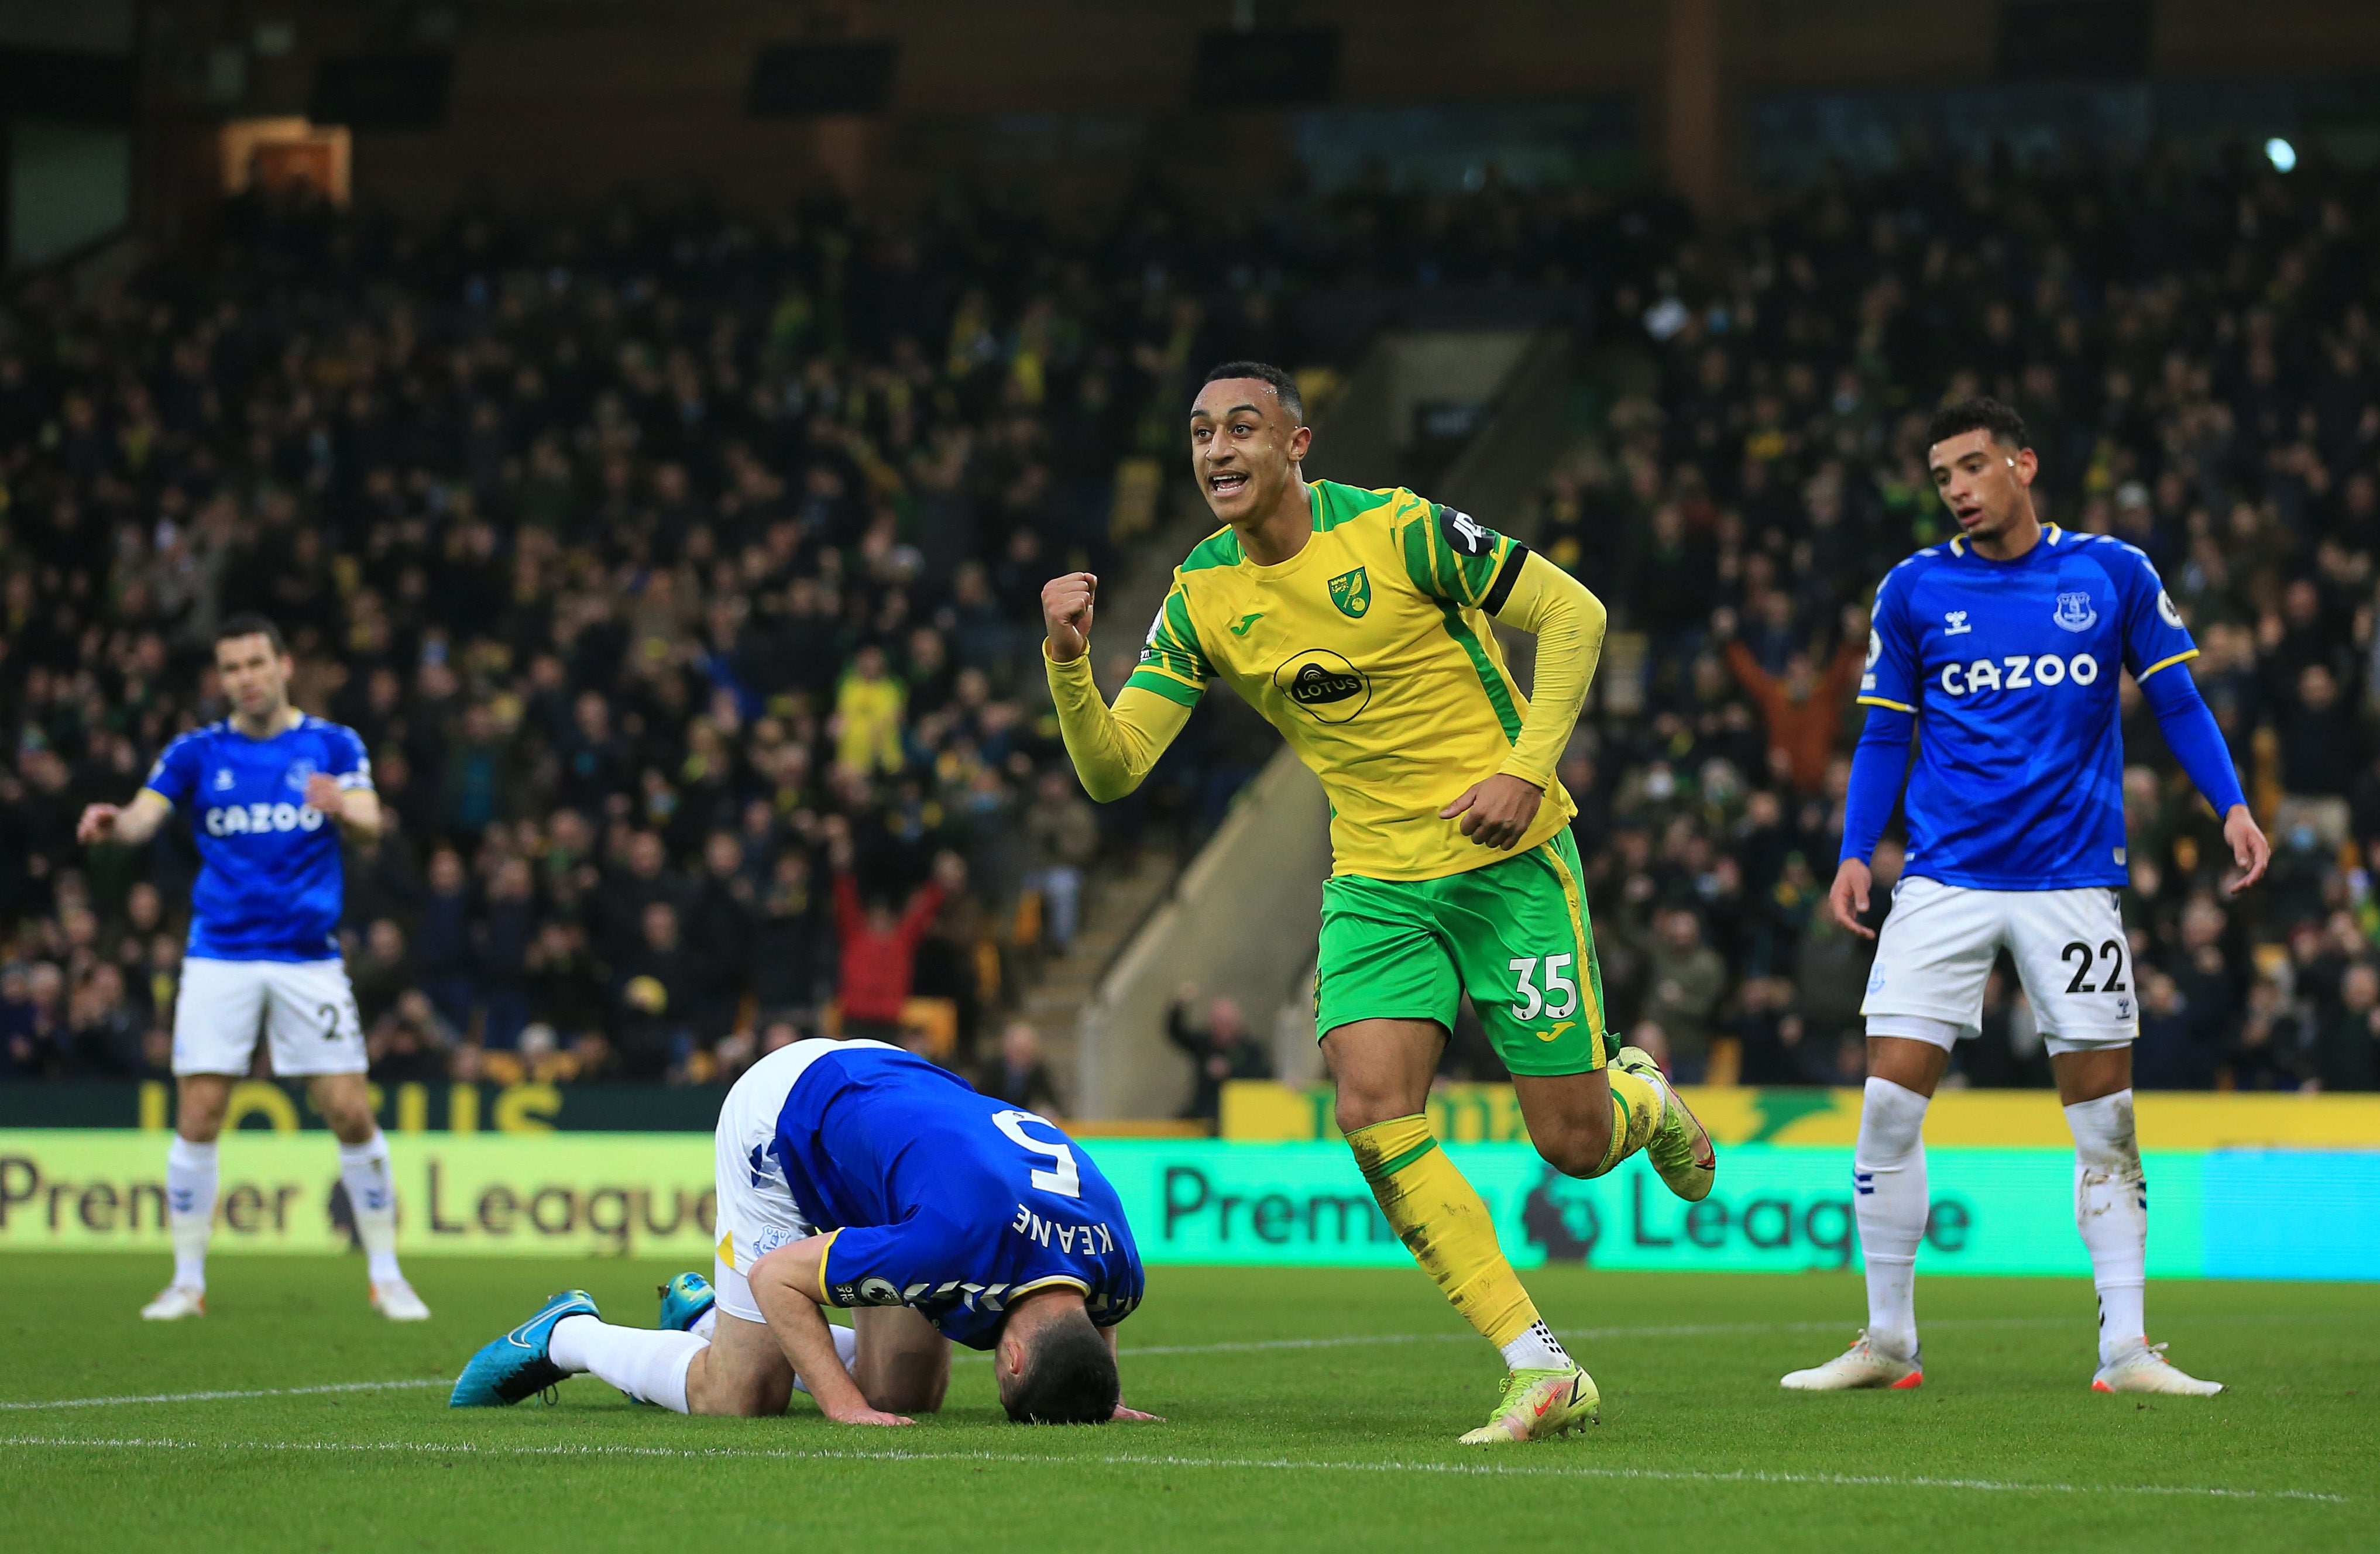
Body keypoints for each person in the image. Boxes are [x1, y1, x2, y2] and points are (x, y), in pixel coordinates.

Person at [1039, 360, 1715, 1445]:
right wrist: (1069, 664)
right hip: (1377, 883)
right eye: (1202, 432)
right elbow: (1115, 768)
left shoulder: (1401, 532)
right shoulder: (1203, 593)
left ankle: (1641, 1099)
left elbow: (1572, 613)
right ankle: (1539, 1365)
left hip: (1507, 859)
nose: (1216, 449)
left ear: (1297, 445)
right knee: (1369, 1110)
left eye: (1242, 428)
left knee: (1575, 1145)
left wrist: (1527, 770)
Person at [1792, 398, 2270, 1397]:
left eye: (1972, 466)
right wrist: (1852, 850)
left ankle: (2126, 1349)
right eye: (1941, 476)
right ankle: (1886, 1341)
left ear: (2022, 464)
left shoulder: (2111, 571)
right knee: (1885, 1105)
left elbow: (2176, 697)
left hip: (2071, 883)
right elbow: (1883, 732)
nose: (1957, 489)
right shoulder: (1913, 588)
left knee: (2106, 1122)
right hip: (1940, 878)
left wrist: (2229, 803)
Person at [449, 1038, 1157, 1426]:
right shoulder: (947, 1245)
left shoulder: (1119, 1268)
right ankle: (565, 1335)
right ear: (1008, 1367)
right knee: (744, 1395)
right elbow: (777, 1275)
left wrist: (1102, 1392)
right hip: (789, 1119)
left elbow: (1097, 1320)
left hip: (898, 1108)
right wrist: (842, 1409)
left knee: (906, 1396)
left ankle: (702, 1315)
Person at [75, 614, 430, 1323]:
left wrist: (344, 810)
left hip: (308, 958)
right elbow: (147, 816)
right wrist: (117, 822)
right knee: (200, 1112)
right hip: (220, 954)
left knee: (351, 1112)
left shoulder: (331, 742)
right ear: (223, 676)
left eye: (255, 663)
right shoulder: (197, 751)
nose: (245, 677)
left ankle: (387, 1275)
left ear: (283, 664)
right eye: (231, 667)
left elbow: (369, 817)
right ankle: (186, 1282)